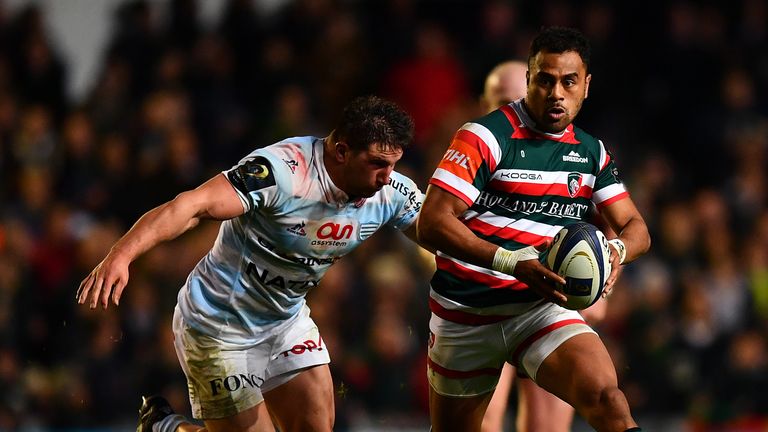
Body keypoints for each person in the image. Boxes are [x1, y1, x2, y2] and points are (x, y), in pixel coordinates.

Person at [76, 95, 424, 432]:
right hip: (217, 328)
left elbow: (437, 233)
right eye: (378, 164)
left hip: (284, 322)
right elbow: (192, 206)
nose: (386, 177)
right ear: (342, 151)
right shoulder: (281, 172)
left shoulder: (388, 190)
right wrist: (121, 254)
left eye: (392, 164)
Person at [417, 26, 650, 432]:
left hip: (540, 309)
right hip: (467, 313)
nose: (556, 92)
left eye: (568, 81)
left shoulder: (592, 152)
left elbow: (635, 227)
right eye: (545, 79)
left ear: (586, 86)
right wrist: (511, 261)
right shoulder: (485, 136)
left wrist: (615, 253)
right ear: (529, 80)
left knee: (609, 401)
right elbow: (432, 223)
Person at [480, 61, 610, 432]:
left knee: (548, 427)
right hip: (483, 304)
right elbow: (432, 230)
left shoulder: (576, 154)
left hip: (547, 304)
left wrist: (600, 285)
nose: (512, 108)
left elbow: (612, 228)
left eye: (518, 99)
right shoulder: (471, 151)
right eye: (501, 101)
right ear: (483, 102)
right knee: (483, 423)